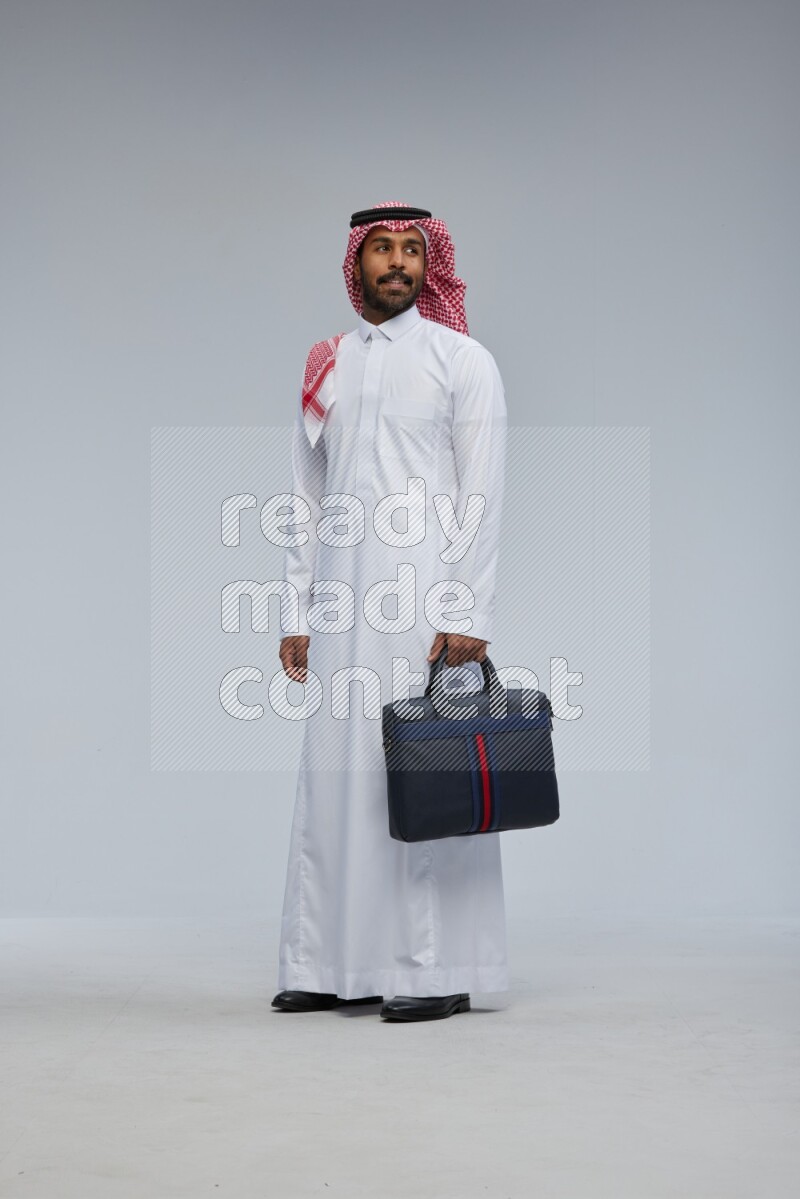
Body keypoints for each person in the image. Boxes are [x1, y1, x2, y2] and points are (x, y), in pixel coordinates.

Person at [273, 201, 508, 1022]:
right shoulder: (327, 364)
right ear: (357, 264)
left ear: (429, 263)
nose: (398, 262)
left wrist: (468, 607)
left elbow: (483, 490)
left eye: (412, 249)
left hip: (424, 603)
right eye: (382, 249)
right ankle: (326, 961)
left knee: (420, 774)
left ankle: (433, 971)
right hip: (340, 603)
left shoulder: (461, 359)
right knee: (335, 778)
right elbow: (304, 494)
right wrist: (295, 609)